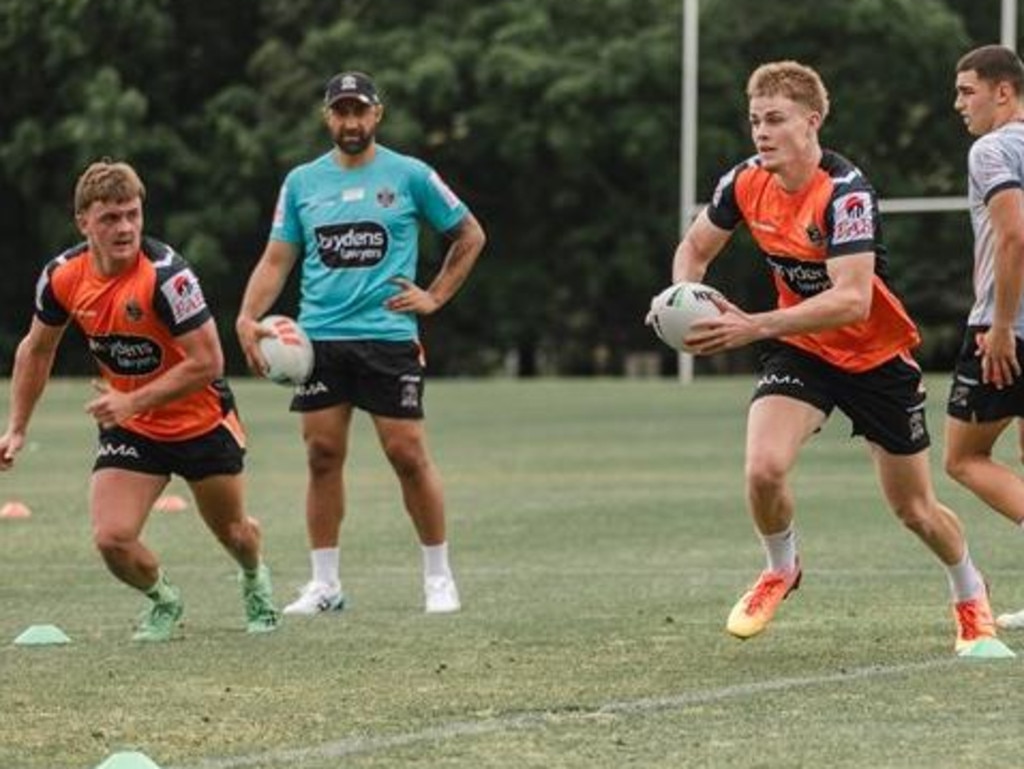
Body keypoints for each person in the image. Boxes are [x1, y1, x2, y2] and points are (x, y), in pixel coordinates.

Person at [664, 60, 1009, 656]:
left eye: (775, 120)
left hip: (876, 358)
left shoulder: (847, 195)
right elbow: (694, 250)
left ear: (812, 121)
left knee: (916, 510)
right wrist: (678, 299)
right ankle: (781, 568)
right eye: (754, 121)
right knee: (763, 468)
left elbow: (850, 301)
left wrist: (753, 325)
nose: (761, 133)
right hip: (801, 348)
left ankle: (969, 593)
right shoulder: (743, 182)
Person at [236, 71, 486, 616]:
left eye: (360, 111)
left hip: (388, 337)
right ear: (328, 117)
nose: (351, 122)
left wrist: (436, 296)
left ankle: (438, 577)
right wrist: (246, 317)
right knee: (322, 456)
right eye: (341, 111)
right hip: (319, 341)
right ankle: (325, 584)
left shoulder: (411, 174)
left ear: (378, 114)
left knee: (407, 454)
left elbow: (469, 233)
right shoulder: (302, 182)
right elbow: (278, 258)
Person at [0, 160, 280, 642]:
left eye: (132, 214)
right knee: (112, 538)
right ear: (83, 221)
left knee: (233, 532)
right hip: (132, 429)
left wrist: (132, 401)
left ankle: (255, 579)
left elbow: (209, 362)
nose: (125, 227)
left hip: (201, 423)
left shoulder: (168, 276)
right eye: (110, 217)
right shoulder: (62, 277)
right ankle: (165, 601)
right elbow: (36, 349)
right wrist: (18, 427)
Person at [945, 44, 1024, 630]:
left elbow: (1014, 237)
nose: (958, 103)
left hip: (1007, 329)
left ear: (1004, 91)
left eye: (967, 90)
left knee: (965, 458)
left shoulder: (992, 149)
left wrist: (999, 325)